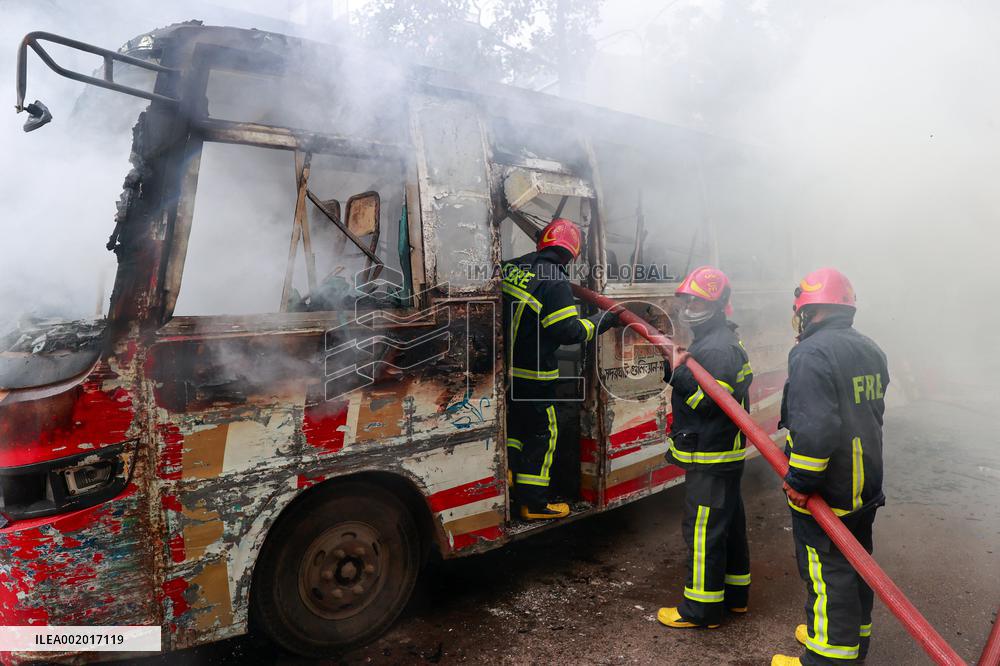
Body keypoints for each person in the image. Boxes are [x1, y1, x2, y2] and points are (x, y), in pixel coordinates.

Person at [771, 268, 889, 666]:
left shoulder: (811, 353)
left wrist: (801, 480)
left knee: (827, 574)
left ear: (811, 312)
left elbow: (815, 427)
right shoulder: (871, 348)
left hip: (831, 489)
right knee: (858, 567)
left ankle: (827, 659)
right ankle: (852, 644)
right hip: (864, 484)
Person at [501, 217, 619, 520]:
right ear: (571, 253)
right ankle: (535, 503)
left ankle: (510, 475)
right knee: (544, 432)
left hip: (506, 372)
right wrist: (603, 321)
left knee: (516, 428)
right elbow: (569, 332)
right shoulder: (554, 280)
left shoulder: (514, 266)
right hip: (534, 375)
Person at [657, 266, 754, 629]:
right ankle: (734, 598)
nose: (691, 307)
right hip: (721, 455)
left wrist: (677, 369)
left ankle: (700, 611)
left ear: (718, 305)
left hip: (710, 457)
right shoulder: (722, 340)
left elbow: (708, 403)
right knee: (727, 527)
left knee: (703, 532)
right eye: (689, 300)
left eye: (700, 301)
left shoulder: (717, 349)